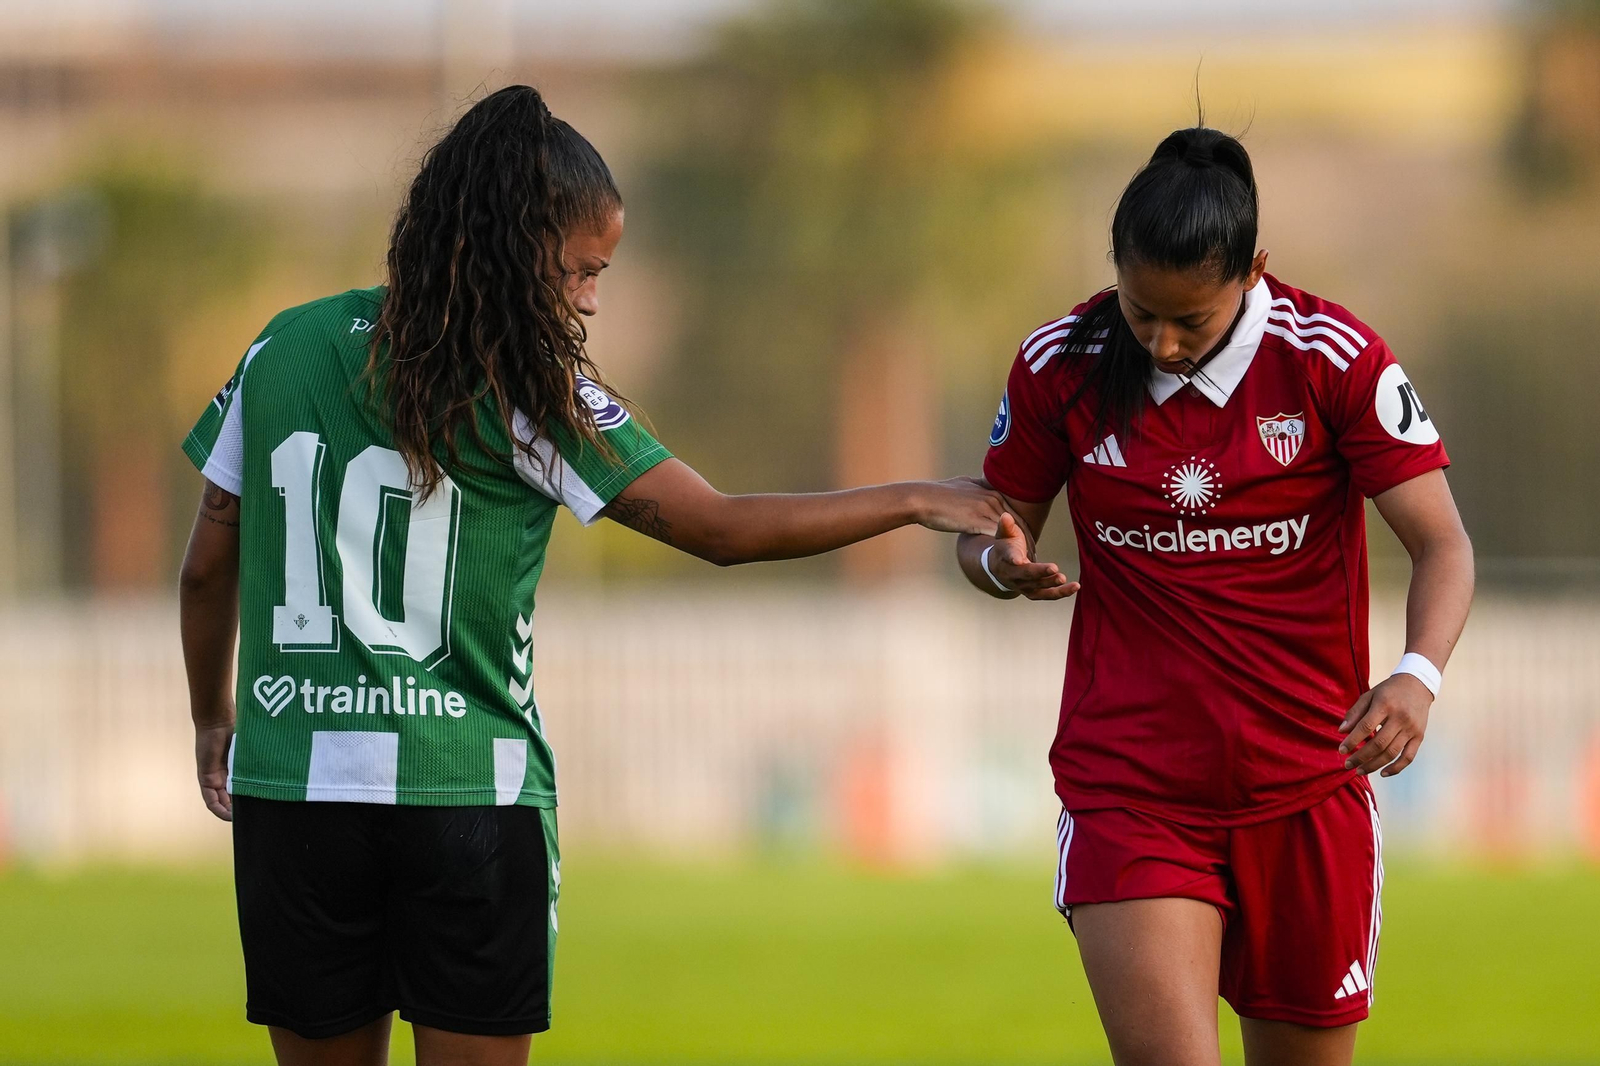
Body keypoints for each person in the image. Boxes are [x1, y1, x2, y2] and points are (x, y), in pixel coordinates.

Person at [177, 85, 1004, 1066]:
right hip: (466, 798)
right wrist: (918, 497)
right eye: (580, 269)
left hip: (295, 795)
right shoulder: (530, 387)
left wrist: (212, 716)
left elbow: (205, 565)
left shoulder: (282, 346)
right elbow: (726, 530)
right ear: (507, 243)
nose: (590, 298)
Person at [956, 126, 1474, 1066]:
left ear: (1253, 272)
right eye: (1138, 309)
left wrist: (1416, 676)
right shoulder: (1059, 363)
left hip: (1309, 784)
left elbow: (1443, 545)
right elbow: (987, 530)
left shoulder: (1334, 358)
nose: (1158, 340)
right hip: (1132, 788)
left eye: (1188, 322)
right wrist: (1000, 566)